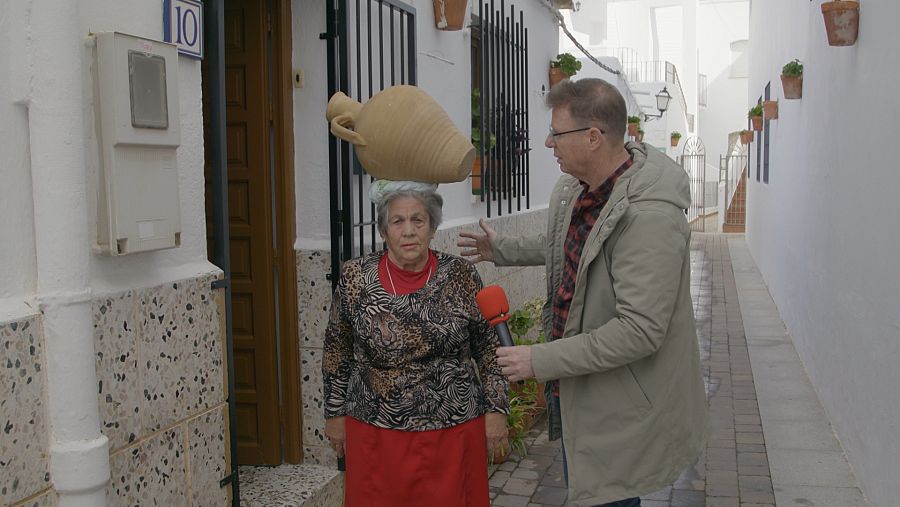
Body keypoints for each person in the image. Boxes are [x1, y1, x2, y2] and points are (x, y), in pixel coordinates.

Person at [458, 78, 707, 507]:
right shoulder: (577, 190)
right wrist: (500, 248)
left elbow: (640, 330)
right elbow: (564, 242)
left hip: (620, 402)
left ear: (593, 137)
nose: (548, 142)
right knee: (591, 487)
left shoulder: (649, 217)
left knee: (608, 496)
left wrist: (539, 360)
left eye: (557, 133)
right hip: (579, 386)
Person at [323, 180, 509, 507]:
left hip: (453, 430)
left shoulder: (461, 274)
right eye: (398, 221)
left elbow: (490, 350)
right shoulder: (355, 278)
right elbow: (337, 352)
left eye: (418, 220)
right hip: (376, 431)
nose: (408, 231)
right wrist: (334, 414)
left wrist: (496, 410)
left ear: (433, 227)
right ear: (383, 230)